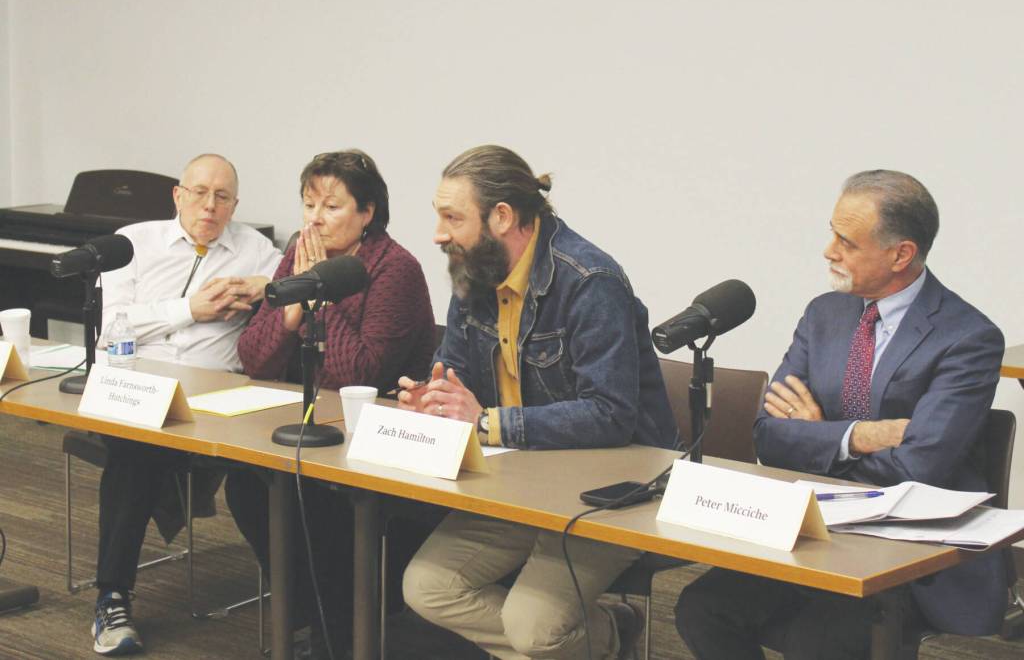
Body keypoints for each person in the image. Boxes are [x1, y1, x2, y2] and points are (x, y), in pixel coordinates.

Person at [675, 170, 1006, 660]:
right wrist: (858, 436)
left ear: (901, 254)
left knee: (819, 642)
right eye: (832, 233)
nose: (829, 251)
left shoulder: (967, 338)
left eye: (847, 242)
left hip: (909, 556)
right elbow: (768, 437)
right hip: (813, 534)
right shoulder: (824, 314)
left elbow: (918, 472)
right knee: (700, 608)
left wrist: (818, 437)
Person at [398, 145, 678, 660]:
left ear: (502, 217)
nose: (438, 234)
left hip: (610, 492)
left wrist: (484, 422)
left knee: (532, 629)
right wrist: (431, 396)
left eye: (452, 218)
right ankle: (604, 634)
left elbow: (611, 414)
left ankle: (596, 639)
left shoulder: (591, 282)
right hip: (520, 481)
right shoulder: (473, 272)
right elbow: (453, 373)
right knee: (426, 587)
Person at [225, 149, 435, 658]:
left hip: (379, 431)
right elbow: (254, 358)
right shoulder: (300, 251)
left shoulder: (394, 269)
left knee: (318, 503)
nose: (315, 219)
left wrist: (321, 295)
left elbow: (358, 374)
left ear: (368, 213)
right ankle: (311, 614)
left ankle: (339, 631)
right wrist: (291, 316)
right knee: (248, 487)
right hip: (308, 426)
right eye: (308, 204)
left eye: (332, 207)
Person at [92, 153, 282, 655]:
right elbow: (109, 329)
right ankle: (112, 599)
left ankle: (298, 598)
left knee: (263, 469)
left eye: (222, 197)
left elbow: (291, 290)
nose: (210, 205)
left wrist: (266, 287)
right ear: (178, 195)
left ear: (235, 205)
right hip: (135, 392)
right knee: (136, 452)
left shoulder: (257, 250)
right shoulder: (133, 243)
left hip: (216, 403)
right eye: (199, 192)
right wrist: (189, 309)